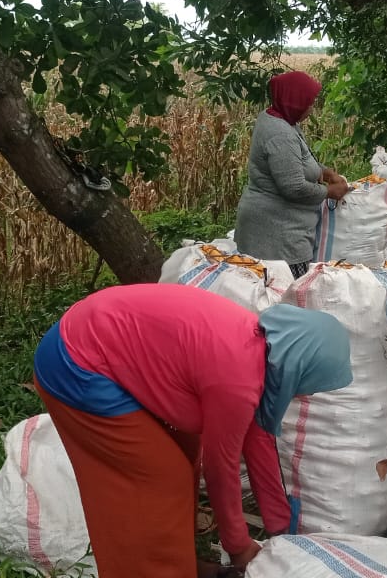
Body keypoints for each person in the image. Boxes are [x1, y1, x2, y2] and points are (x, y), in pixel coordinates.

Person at [32, 283, 352, 578]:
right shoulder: (237, 381)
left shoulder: (262, 351)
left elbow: (258, 442)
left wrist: (280, 529)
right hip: (76, 364)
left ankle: (179, 561)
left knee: (185, 454)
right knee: (159, 476)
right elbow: (220, 468)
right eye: (310, 384)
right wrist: (238, 546)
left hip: (99, 343)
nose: (305, 394)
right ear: (299, 367)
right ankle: (149, 570)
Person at [235, 71, 349, 276]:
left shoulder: (281, 120)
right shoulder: (280, 134)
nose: (312, 109)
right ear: (294, 101)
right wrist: (330, 192)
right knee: (285, 298)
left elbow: (300, 160)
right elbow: (293, 187)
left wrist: (326, 172)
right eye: (309, 103)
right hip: (277, 237)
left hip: (280, 230)